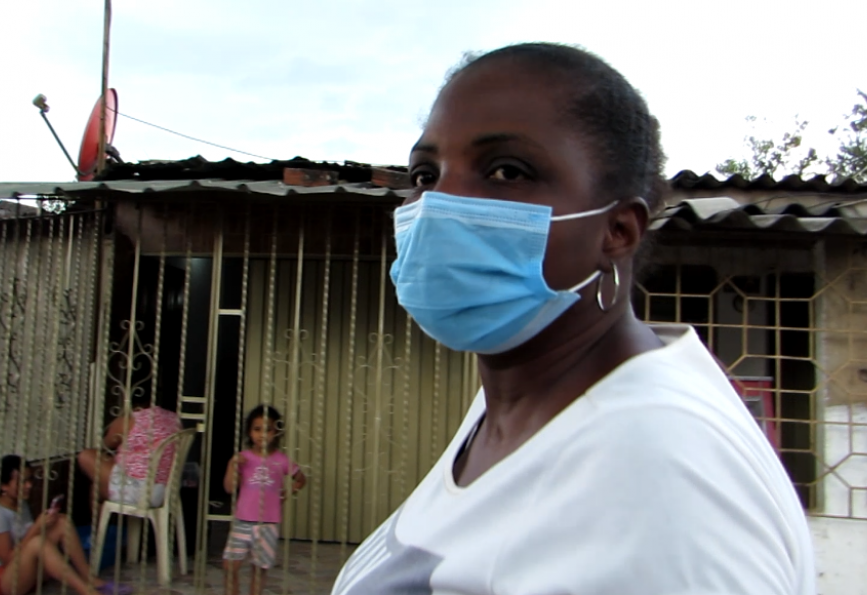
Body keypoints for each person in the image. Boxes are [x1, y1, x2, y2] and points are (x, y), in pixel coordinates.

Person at [331, 43, 815, 594]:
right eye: (425, 174)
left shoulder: (654, 474)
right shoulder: (521, 402)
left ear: (618, 231)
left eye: (507, 171)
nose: (441, 204)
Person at [0, 456, 130, 595]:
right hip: (7, 582)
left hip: (28, 570)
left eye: (29, 479)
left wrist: (47, 522)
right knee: (37, 543)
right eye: (22, 482)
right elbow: (8, 559)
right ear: (4, 486)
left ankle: (90, 578)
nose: (28, 486)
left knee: (62, 521)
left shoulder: (21, 503)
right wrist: (37, 527)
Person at [222, 405, 306, 595]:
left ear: (276, 433)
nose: (262, 435)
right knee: (229, 567)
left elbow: (301, 479)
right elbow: (229, 487)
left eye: (267, 429)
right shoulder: (243, 458)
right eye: (256, 429)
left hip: (268, 524)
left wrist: (289, 492)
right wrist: (231, 465)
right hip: (242, 521)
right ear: (249, 432)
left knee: (259, 570)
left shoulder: (282, 460)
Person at [77, 398, 181, 508]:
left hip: (138, 492)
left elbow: (106, 445)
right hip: (165, 492)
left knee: (87, 456)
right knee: (99, 482)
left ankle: (100, 524)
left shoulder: (131, 420)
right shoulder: (173, 419)